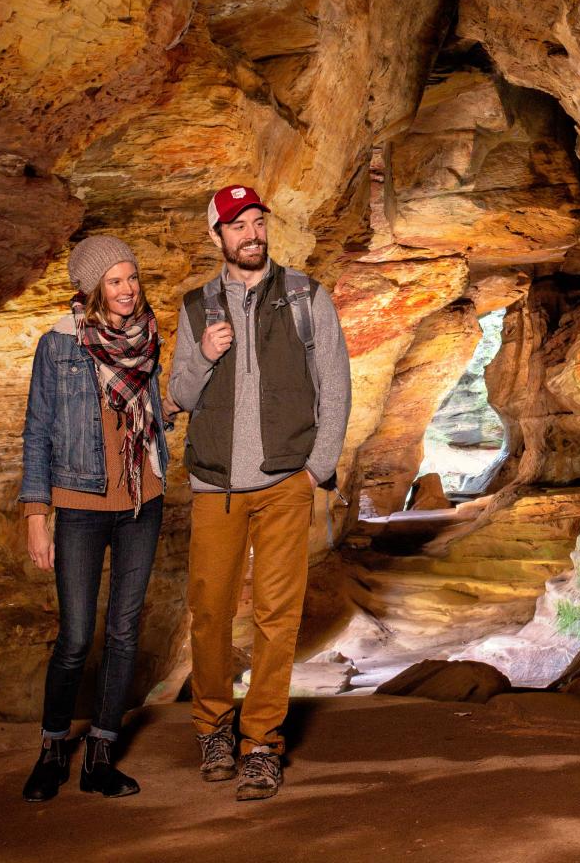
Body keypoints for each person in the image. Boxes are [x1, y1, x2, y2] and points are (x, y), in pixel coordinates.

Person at [169, 184, 352, 801]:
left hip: (283, 485)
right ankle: (213, 729)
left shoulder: (304, 296)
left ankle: (262, 744)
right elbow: (181, 395)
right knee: (210, 614)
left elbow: (335, 384)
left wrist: (316, 469)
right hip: (215, 485)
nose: (251, 235)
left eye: (257, 222)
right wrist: (203, 354)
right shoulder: (196, 306)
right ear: (216, 236)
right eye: (237, 226)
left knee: (278, 617)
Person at [18, 235, 170, 802]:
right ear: (92, 288)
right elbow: (37, 431)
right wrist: (37, 514)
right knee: (77, 636)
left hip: (142, 501)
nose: (128, 289)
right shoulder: (58, 344)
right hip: (80, 504)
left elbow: (152, 412)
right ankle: (53, 749)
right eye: (115, 281)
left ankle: (101, 755)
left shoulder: (149, 336)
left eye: (132, 277)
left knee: (125, 632)